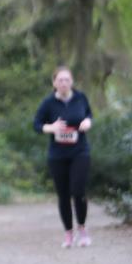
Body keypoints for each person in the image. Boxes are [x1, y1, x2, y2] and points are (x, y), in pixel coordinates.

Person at [33, 66, 93, 248]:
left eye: (67, 79)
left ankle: (82, 228)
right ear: (54, 83)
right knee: (63, 195)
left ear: (72, 82)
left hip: (79, 151)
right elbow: (36, 124)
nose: (64, 83)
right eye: (60, 80)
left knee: (78, 191)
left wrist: (87, 122)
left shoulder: (80, 97)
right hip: (57, 154)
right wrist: (51, 128)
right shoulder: (48, 103)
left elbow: (89, 114)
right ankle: (68, 233)